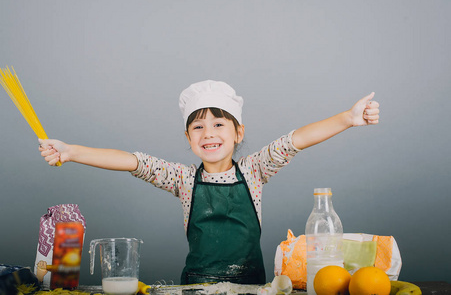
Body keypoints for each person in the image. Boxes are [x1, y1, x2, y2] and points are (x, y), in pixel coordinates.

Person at [39, 80, 380, 285]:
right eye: (198, 127)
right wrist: (71, 151)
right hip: (195, 288)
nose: (209, 134)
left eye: (219, 124)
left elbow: (296, 140)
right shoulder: (183, 178)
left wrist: (347, 119)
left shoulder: (255, 170)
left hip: (250, 288)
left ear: (238, 133)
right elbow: (132, 161)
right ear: (188, 137)